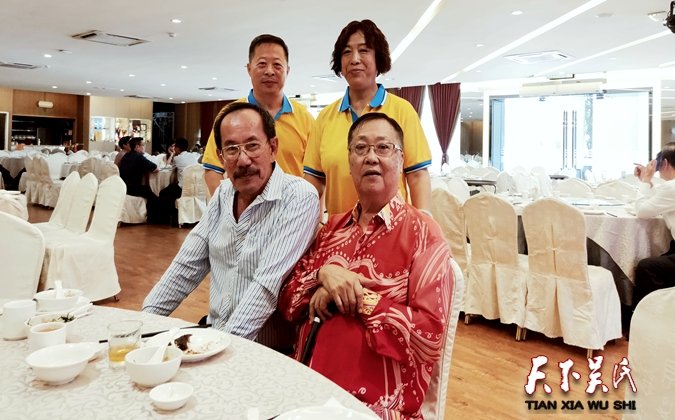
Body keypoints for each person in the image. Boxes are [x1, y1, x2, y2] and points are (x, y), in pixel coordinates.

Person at [279, 113, 453, 419]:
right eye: (360, 148)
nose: (371, 157)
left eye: (383, 147)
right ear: (350, 162)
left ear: (401, 160)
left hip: (375, 406)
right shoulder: (330, 230)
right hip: (305, 389)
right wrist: (322, 275)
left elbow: (429, 336)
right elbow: (288, 301)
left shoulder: (423, 234)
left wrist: (356, 296)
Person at [143, 102, 320, 349]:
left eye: (252, 145)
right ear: (221, 157)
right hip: (216, 334)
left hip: (267, 351)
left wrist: (221, 349)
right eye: (232, 149)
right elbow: (185, 267)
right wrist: (142, 325)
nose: (243, 160)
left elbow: (266, 287)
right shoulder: (223, 194)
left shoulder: (298, 197)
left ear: (273, 147)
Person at [303, 20, 432, 217]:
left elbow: (417, 175)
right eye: (347, 52)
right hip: (341, 231)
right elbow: (314, 181)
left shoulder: (402, 111)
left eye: (363, 51)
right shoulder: (325, 118)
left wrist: (423, 222)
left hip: (393, 230)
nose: (354, 59)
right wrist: (312, 225)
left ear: (378, 58)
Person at [201, 34, 314, 195]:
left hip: (292, 207)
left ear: (287, 70)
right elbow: (213, 169)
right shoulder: (230, 116)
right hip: (245, 207)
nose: (269, 71)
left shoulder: (304, 118)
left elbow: (314, 173)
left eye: (277, 65)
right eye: (262, 64)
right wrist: (229, 205)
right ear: (249, 69)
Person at [629, 142, 675, 324]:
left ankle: (648, 322)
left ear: (664, 163)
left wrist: (646, 181)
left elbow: (642, 211)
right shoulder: (670, 188)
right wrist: (646, 181)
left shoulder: (671, 188)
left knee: (646, 267)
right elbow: (657, 201)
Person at [118, 137, 160, 223]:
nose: (144, 147)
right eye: (143, 145)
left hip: (123, 186)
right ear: (137, 147)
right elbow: (155, 169)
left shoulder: (126, 155)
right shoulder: (139, 157)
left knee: (147, 190)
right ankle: (154, 218)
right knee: (151, 193)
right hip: (132, 188)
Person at [158, 137, 199, 224]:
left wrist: (172, 155)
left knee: (163, 193)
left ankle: (167, 219)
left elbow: (168, 167)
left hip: (183, 189)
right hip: (195, 188)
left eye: (175, 147)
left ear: (178, 148)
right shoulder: (193, 156)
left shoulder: (177, 158)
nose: (173, 149)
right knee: (171, 188)